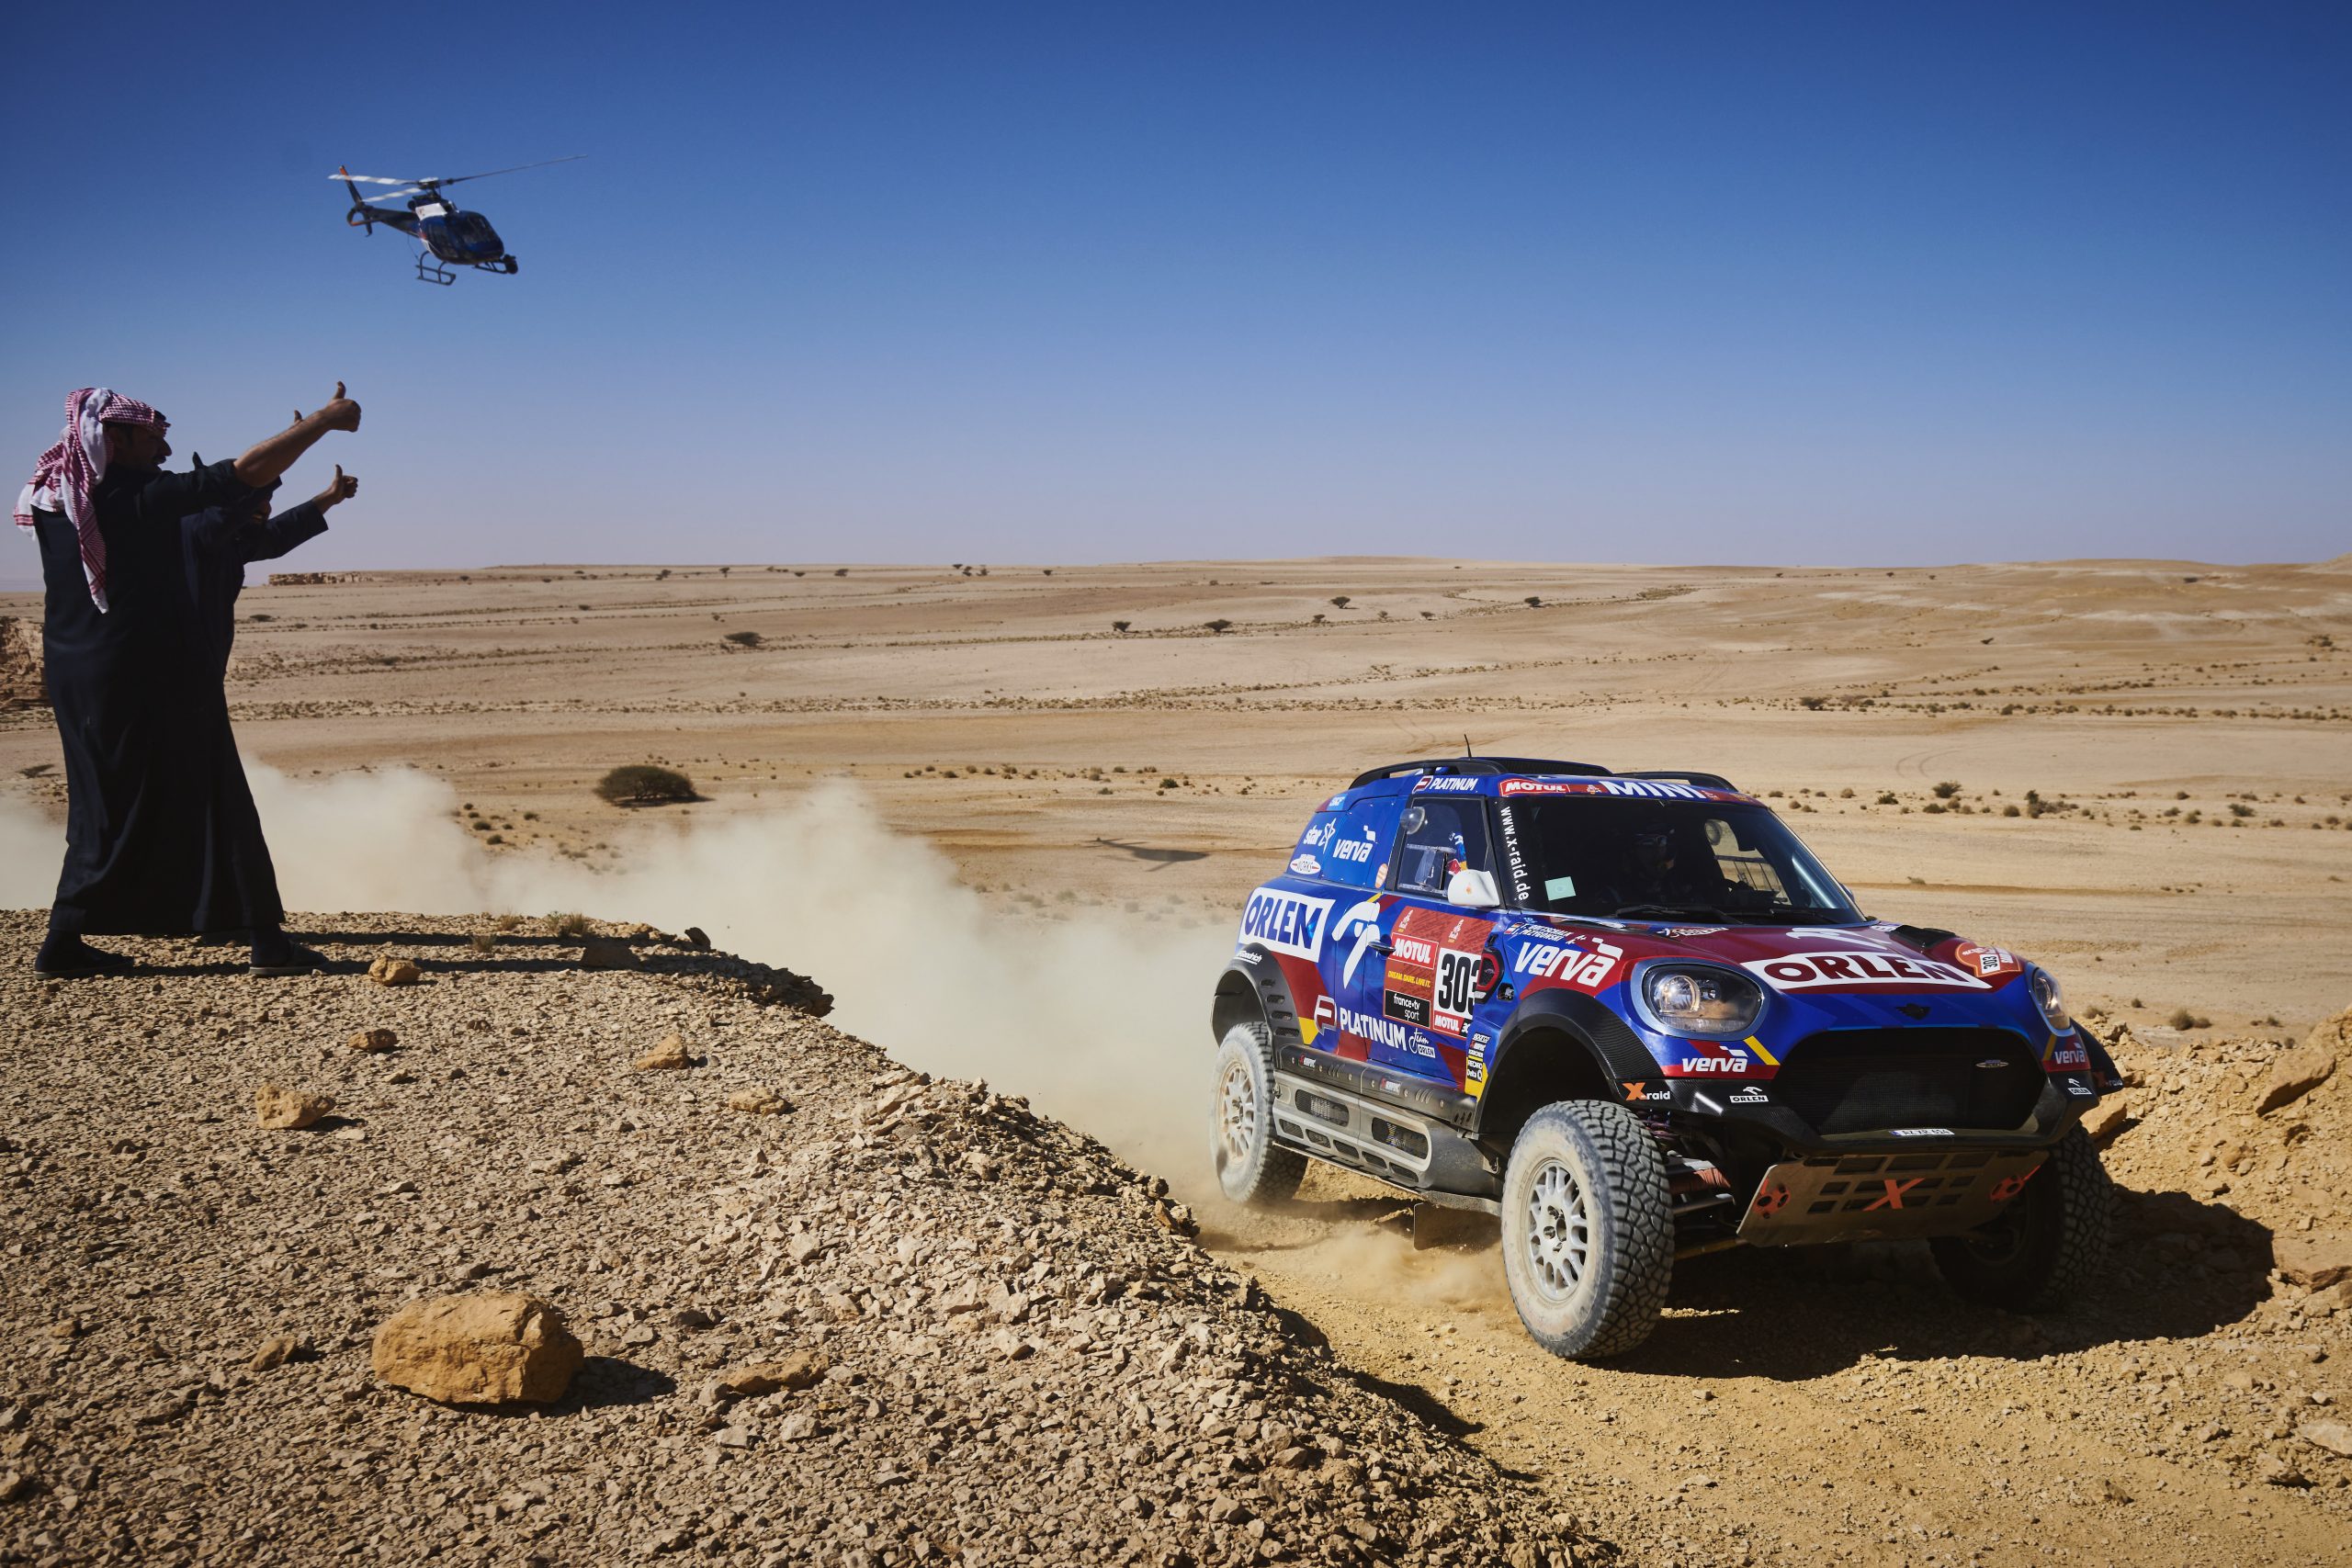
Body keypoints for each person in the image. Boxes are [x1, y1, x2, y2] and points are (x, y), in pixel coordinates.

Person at [14, 384, 362, 977]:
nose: (165, 448)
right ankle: (265, 940)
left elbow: (245, 511)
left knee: (104, 804)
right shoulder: (125, 497)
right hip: (149, 671)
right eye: (153, 436)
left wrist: (308, 488)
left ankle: (65, 940)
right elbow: (234, 478)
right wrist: (324, 422)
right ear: (114, 437)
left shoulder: (60, 500)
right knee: (217, 791)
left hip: (80, 676)